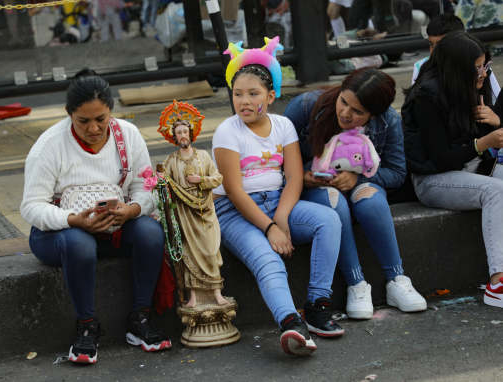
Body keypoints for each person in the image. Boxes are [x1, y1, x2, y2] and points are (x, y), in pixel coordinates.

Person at [20, 68, 171, 364]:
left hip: (114, 227)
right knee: (79, 243)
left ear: (111, 111)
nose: (93, 128)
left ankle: (139, 321)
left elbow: (147, 188)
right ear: (68, 114)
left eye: (101, 119)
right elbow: (31, 206)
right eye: (83, 121)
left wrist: (131, 210)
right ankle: (87, 328)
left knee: (151, 233)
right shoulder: (49, 146)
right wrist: (73, 220)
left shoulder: (127, 135)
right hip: (58, 236)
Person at [213, 37, 343, 357]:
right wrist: (270, 228)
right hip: (234, 210)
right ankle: (290, 324)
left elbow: (295, 177)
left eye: (253, 94)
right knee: (268, 259)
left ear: (271, 96)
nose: (244, 101)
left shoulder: (283, 125)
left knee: (328, 220)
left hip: (277, 200)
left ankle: (316, 305)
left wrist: (281, 217)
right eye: (238, 94)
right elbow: (233, 190)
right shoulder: (227, 132)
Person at [284, 68, 427, 320]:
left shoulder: (388, 121)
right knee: (334, 201)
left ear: (374, 114)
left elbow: (396, 171)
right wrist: (300, 177)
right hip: (316, 188)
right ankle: (356, 284)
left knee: (370, 201)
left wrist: (357, 177)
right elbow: (276, 159)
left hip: (360, 184)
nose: (345, 113)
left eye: (358, 112)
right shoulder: (306, 106)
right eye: (343, 101)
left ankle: (397, 279)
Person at [401, 31, 503, 309]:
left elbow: (480, 139)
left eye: (485, 66)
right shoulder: (426, 99)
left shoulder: (468, 86)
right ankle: (498, 283)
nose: (483, 73)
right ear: (457, 68)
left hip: (468, 167)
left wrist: (494, 121)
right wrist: (484, 142)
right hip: (432, 180)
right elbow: (443, 159)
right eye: (477, 67)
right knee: (496, 191)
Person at [158, 100, 229, 308]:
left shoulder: (204, 156)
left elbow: (218, 179)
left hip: (204, 209)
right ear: (174, 137)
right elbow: (166, 185)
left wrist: (202, 181)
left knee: (210, 250)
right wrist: (159, 181)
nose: (182, 135)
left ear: (191, 133)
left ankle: (217, 293)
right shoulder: (171, 160)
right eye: (178, 133)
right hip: (184, 212)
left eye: (184, 131)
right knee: (188, 251)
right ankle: (194, 298)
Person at [411, 13, 501, 99]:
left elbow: (495, 99)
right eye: (431, 44)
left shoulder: (479, 66)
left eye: (441, 46)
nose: (434, 51)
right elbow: (416, 98)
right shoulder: (421, 66)